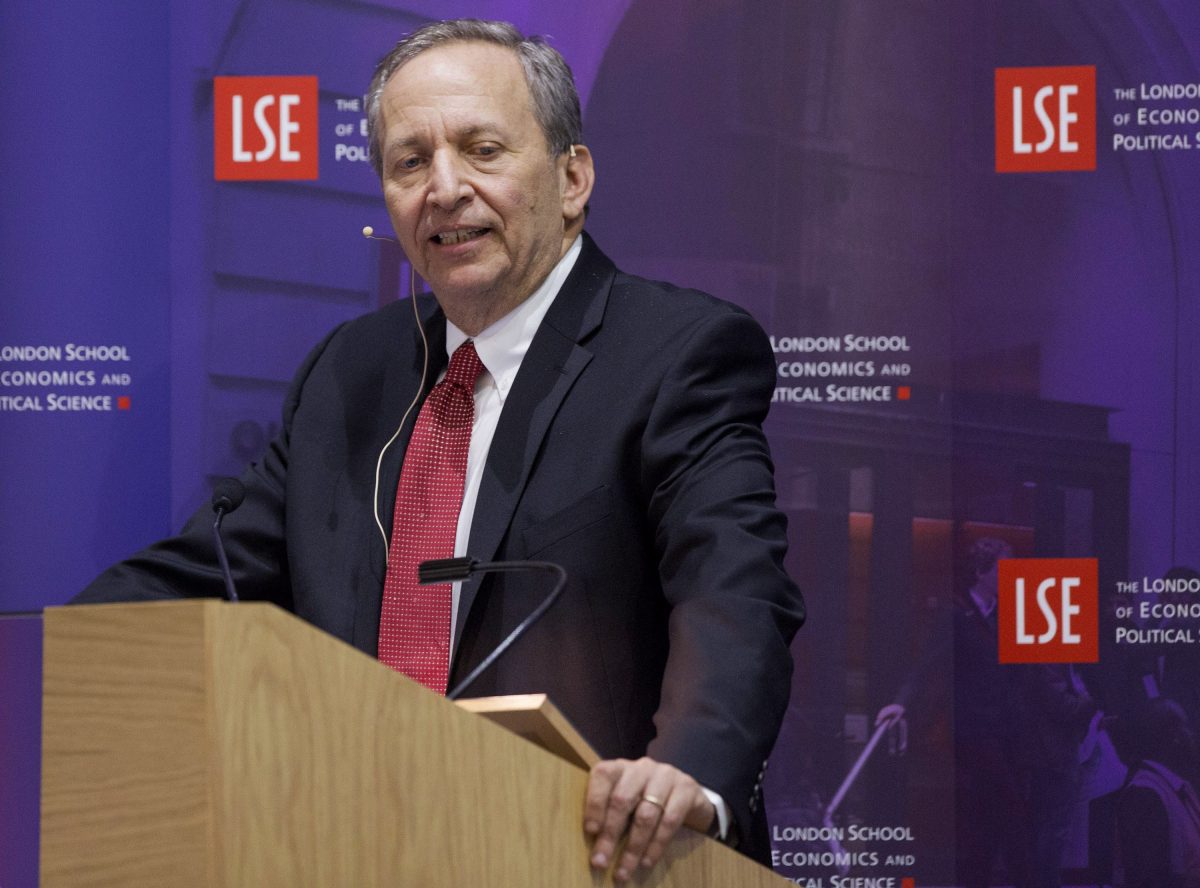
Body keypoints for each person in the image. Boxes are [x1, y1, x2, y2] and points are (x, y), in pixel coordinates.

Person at [75, 18, 805, 880]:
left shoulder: (677, 352)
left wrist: (687, 772)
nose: (444, 188)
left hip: (597, 859)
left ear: (572, 178)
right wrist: (47, 656)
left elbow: (733, 589)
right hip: (355, 849)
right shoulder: (352, 370)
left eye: (482, 150)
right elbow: (210, 574)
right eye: (410, 162)